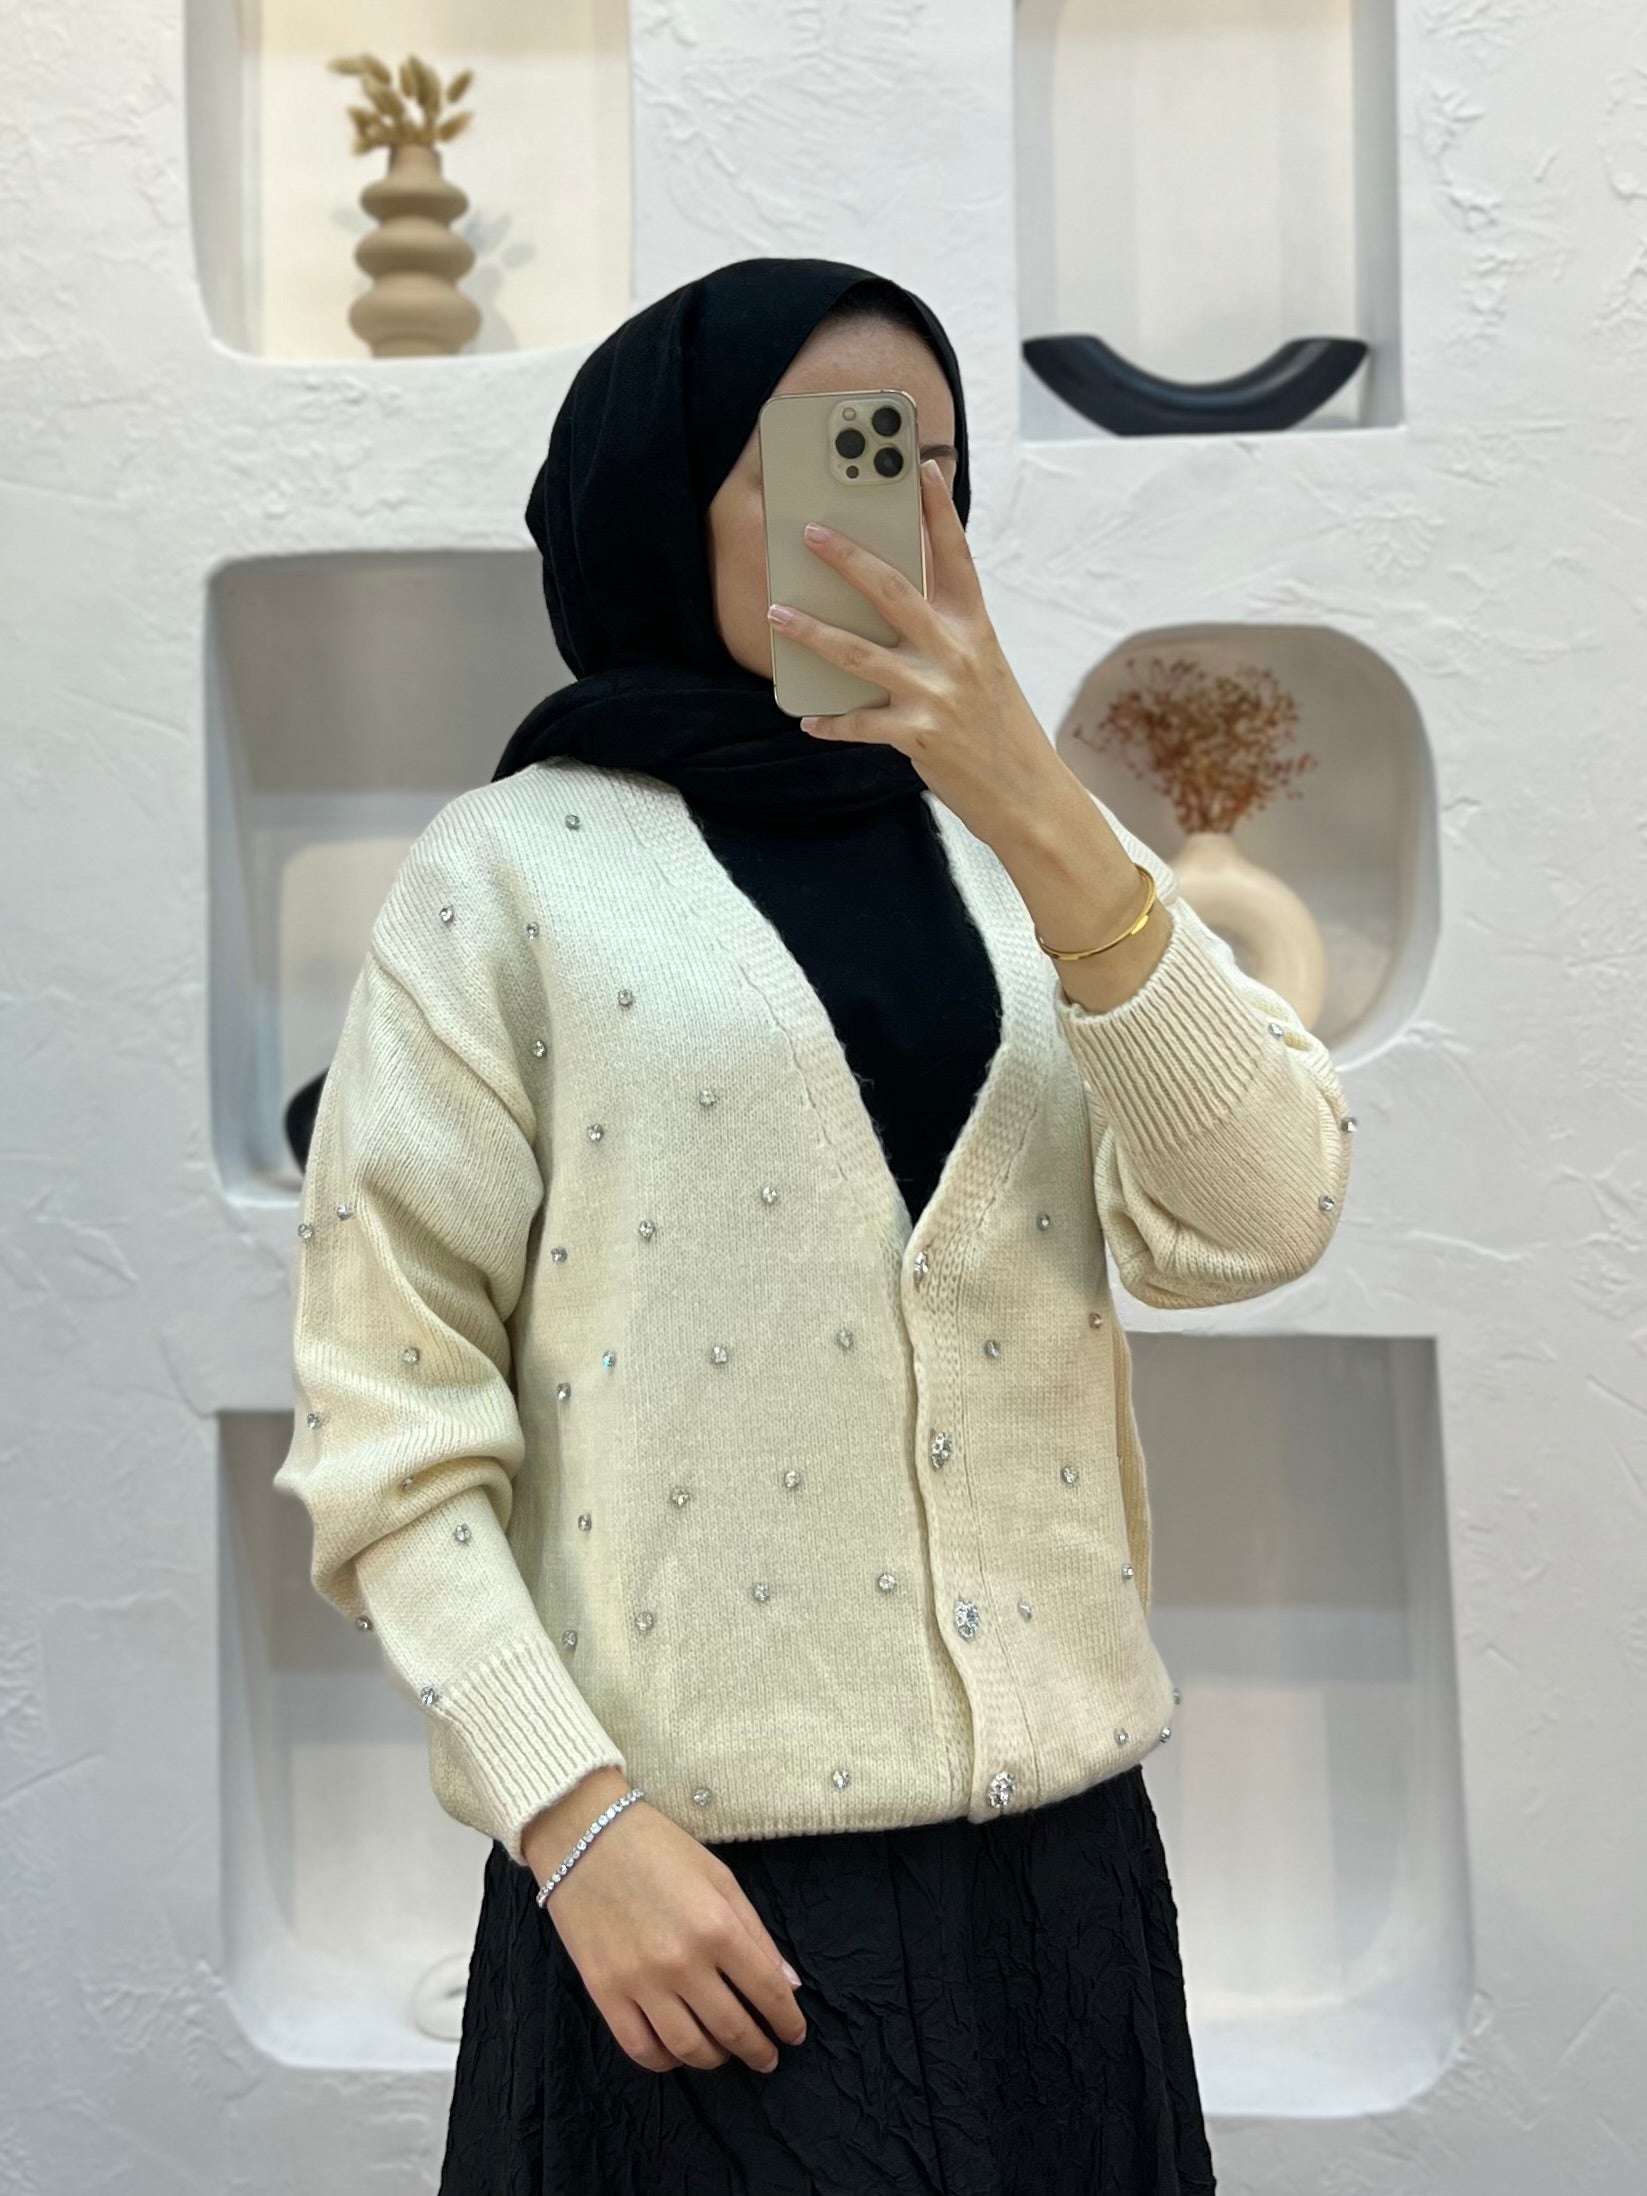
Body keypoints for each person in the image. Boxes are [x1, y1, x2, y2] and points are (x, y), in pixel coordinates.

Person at [277, 255, 1355, 2194]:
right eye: (837, 460)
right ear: (661, 491)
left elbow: (1264, 1214)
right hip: (679, 1918)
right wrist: (572, 1822)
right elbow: (385, 1420)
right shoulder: (503, 879)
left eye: (935, 465)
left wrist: (1035, 800)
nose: (902, 519)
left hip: (1062, 1902)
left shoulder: (1033, 856)